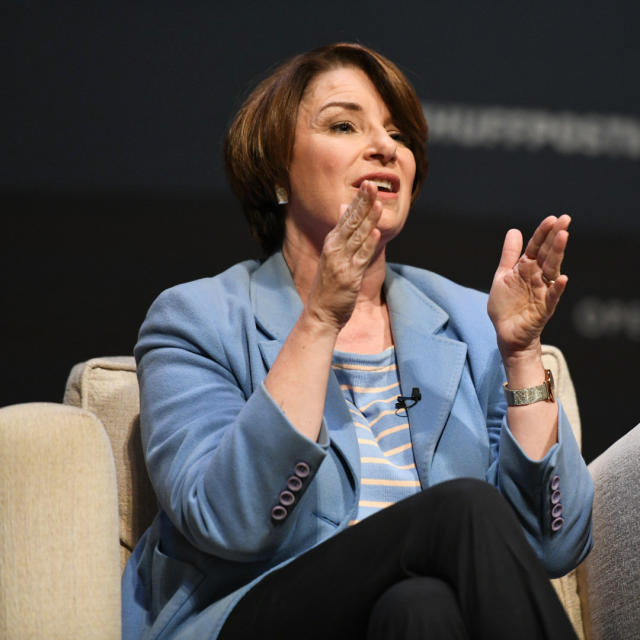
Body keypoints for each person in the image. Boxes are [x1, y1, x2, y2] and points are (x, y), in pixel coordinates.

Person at [122, 43, 593, 639]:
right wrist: (320, 319)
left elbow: (554, 545)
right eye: (344, 125)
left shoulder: (475, 323)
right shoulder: (198, 319)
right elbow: (228, 521)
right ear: (275, 171)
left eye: (398, 135)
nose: (385, 147)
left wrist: (523, 357)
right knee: (463, 508)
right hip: (254, 617)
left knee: (420, 609)